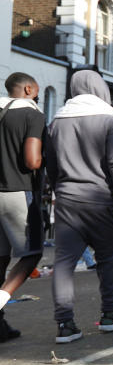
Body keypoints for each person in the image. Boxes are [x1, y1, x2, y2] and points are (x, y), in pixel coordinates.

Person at [45, 71, 113, 342]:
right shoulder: (109, 118)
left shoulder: (57, 121)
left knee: (64, 263)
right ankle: (109, 314)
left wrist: (59, 189)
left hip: (66, 202)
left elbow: (50, 166)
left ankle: (65, 324)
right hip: (101, 201)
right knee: (109, 258)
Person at [0, 72, 45, 342]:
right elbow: (32, 160)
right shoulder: (32, 114)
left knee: (1, 258)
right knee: (32, 254)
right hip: (18, 192)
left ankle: (0, 326)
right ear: (28, 88)